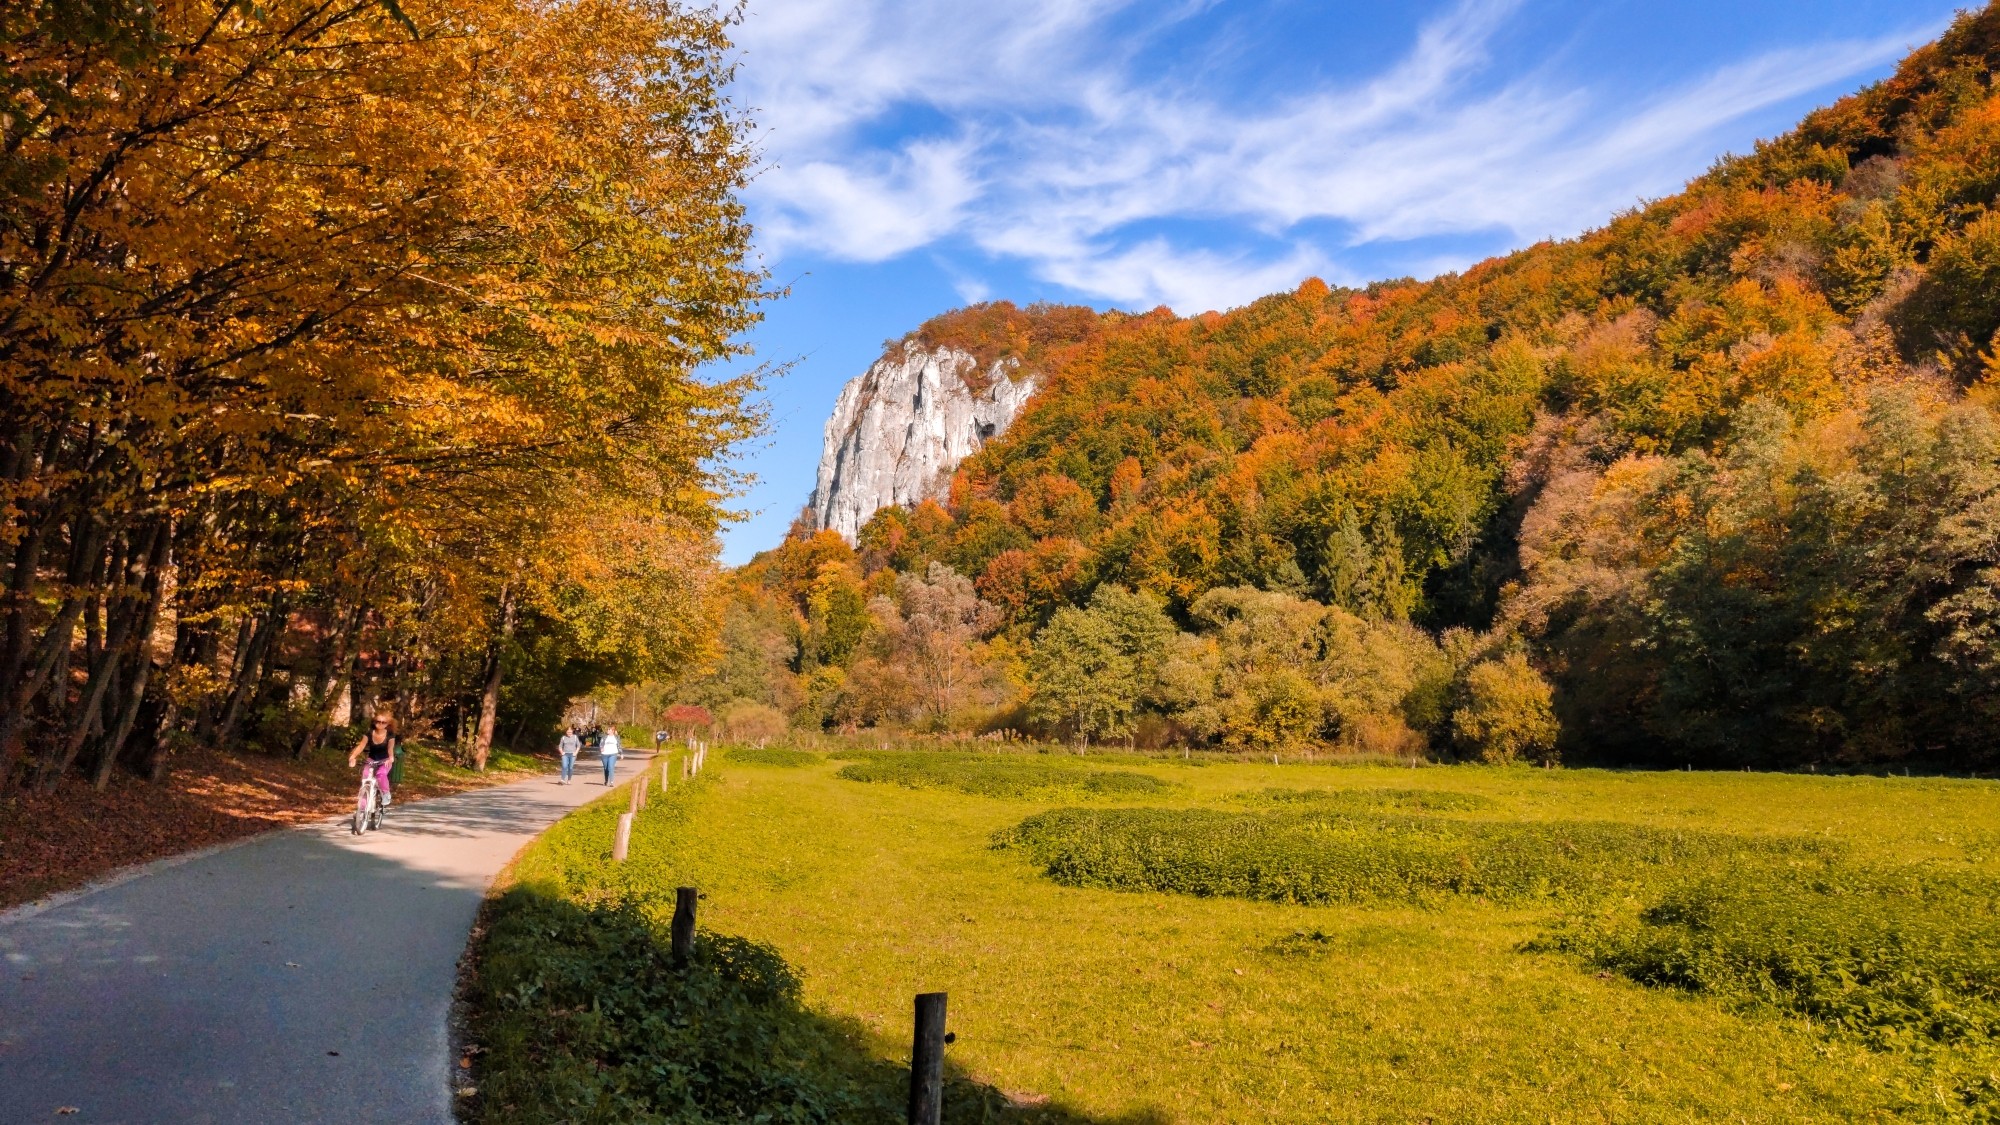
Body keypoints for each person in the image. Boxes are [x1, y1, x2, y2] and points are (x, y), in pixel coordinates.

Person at [347, 710, 399, 811]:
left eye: (383, 722)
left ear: (388, 724)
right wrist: (352, 756)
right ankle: (362, 808)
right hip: (372, 759)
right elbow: (361, 746)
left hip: (385, 760)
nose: (380, 724)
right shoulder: (369, 733)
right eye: (377, 721)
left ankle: (385, 793)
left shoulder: (390, 734)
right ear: (374, 722)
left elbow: (390, 748)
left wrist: (391, 758)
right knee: (365, 778)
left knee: (381, 774)